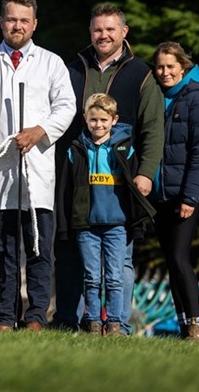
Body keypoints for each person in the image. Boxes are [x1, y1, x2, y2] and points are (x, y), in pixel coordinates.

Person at [0, 0, 76, 331]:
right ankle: (7, 317)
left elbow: (66, 106)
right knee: (2, 250)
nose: (17, 26)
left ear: (34, 24)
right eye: (11, 19)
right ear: (1, 23)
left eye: (24, 20)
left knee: (38, 248)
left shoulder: (51, 62)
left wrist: (40, 130)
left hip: (37, 170)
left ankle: (37, 316)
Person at [52, 4, 164, 335]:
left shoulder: (141, 73)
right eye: (98, 29)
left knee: (121, 261)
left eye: (110, 29)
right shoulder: (72, 68)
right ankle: (69, 320)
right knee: (71, 252)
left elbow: (153, 128)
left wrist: (145, 172)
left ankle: (118, 324)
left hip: (120, 184)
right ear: (90, 32)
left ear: (124, 32)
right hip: (75, 179)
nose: (104, 35)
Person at [57, 93, 155, 336]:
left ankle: (115, 324)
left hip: (117, 225)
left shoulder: (126, 149)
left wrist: (136, 220)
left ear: (114, 119)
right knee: (91, 277)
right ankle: (92, 322)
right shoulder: (76, 150)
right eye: (93, 120)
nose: (98, 125)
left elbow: (134, 189)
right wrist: (66, 222)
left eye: (103, 120)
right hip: (86, 226)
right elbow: (66, 191)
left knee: (114, 277)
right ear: (85, 119)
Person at [151, 42, 199, 342]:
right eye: (160, 67)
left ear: (183, 66)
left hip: (186, 194)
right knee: (170, 261)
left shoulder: (198, 97)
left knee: (180, 259)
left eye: (170, 66)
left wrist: (190, 197)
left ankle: (195, 327)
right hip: (161, 194)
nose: (165, 72)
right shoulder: (156, 97)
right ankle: (182, 326)